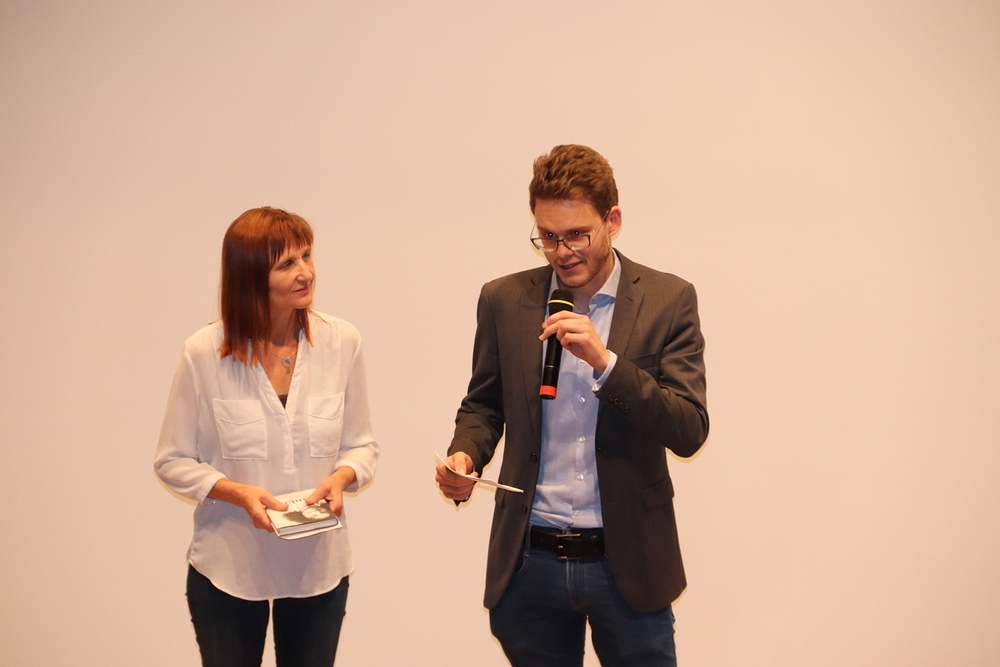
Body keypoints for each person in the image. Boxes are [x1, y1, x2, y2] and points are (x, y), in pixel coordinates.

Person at [435, 145, 708, 666]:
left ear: (613, 221)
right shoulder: (504, 299)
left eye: (577, 234)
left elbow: (688, 428)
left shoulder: (668, 300)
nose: (562, 252)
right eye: (548, 236)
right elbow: (483, 405)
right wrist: (465, 455)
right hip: (530, 561)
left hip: (627, 561)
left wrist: (607, 363)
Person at [154, 206, 379, 667]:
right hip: (228, 568)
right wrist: (237, 493)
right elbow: (172, 460)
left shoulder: (342, 341)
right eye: (287, 264)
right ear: (251, 276)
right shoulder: (204, 351)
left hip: (318, 566)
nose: (306, 273)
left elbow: (362, 445)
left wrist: (341, 478)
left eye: (307, 256)